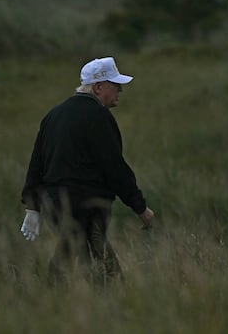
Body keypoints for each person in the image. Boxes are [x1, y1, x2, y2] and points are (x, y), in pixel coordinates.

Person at [20, 56, 154, 284]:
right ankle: (103, 298)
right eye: (116, 85)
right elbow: (114, 169)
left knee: (76, 249)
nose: (120, 91)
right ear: (98, 87)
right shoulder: (99, 117)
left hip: (56, 204)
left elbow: (37, 164)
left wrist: (33, 207)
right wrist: (140, 208)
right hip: (89, 205)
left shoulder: (53, 115)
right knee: (93, 258)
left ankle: (63, 300)